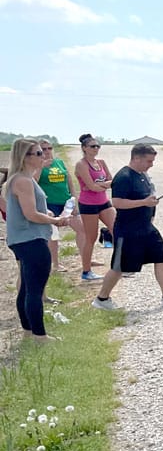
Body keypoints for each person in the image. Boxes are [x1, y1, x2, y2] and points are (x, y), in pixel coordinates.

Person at [91, 144, 163, 311]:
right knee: (119, 266)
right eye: (148, 161)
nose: (151, 164)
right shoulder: (124, 176)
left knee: (160, 255)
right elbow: (117, 203)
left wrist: (151, 204)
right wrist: (143, 202)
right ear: (136, 158)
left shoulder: (142, 174)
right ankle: (102, 299)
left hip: (145, 227)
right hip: (128, 229)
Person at [4, 139, 70, 342]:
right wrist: (55, 220)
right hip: (30, 239)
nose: (45, 156)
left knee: (26, 288)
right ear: (26, 157)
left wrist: (46, 212)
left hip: (23, 239)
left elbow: (31, 209)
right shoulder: (23, 181)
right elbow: (31, 214)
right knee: (34, 290)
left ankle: (28, 331)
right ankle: (40, 336)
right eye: (40, 153)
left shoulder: (23, 178)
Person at [36, 139, 86, 272]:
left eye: (49, 148)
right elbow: (33, 182)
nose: (47, 152)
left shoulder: (59, 162)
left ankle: (86, 259)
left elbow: (69, 180)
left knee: (82, 229)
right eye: (43, 149)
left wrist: (73, 198)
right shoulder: (36, 166)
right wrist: (41, 166)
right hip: (49, 203)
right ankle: (55, 264)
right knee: (53, 235)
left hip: (66, 202)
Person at [75, 133, 115, 280]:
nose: (96, 148)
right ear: (84, 148)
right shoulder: (81, 164)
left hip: (103, 202)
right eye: (93, 146)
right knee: (91, 238)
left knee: (117, 229)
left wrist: (101, 185)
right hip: (88, 204)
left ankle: (120, 265)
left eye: (98, 146)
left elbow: (112, 180)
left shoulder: (101, 162)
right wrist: (100, 185)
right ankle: (86, 271)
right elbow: (91, 186)